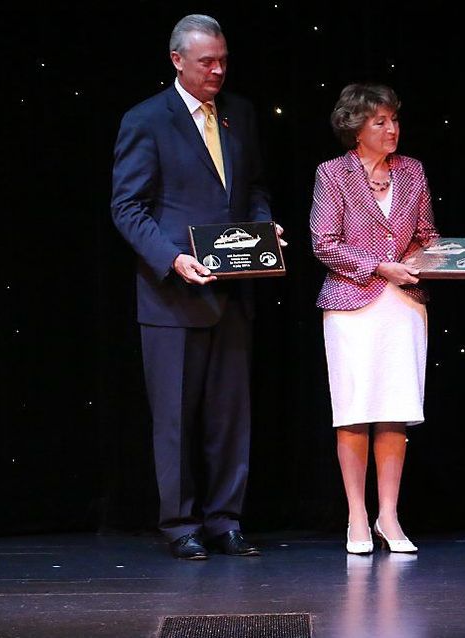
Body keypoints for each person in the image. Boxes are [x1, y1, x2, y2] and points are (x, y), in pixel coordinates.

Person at [111, 14, 275, 559]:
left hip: (233, 291)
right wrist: (172, 258)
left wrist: (263, 227)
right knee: (176, 418)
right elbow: (127, 207)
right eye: (207, 62)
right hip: (173, 296)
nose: (218, 71)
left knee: (231, 417)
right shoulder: (146, 120)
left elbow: (250, 188)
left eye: (223, 60)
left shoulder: (240, 114)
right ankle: (180, 525)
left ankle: (225, 521)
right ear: (177, 60)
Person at [310, 84, 439, 555]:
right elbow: (324, 244)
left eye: (394, 120)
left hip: (403, 306)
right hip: (351, 305)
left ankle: (389, 514)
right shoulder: (333, 174)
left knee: (395, 411)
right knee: (354, 411)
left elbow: (427, 236)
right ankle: (357, 517)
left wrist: (455, 261)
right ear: (355, 128)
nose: (392, 129)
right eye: (380, 122)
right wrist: (379, 266)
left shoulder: (412, 170)